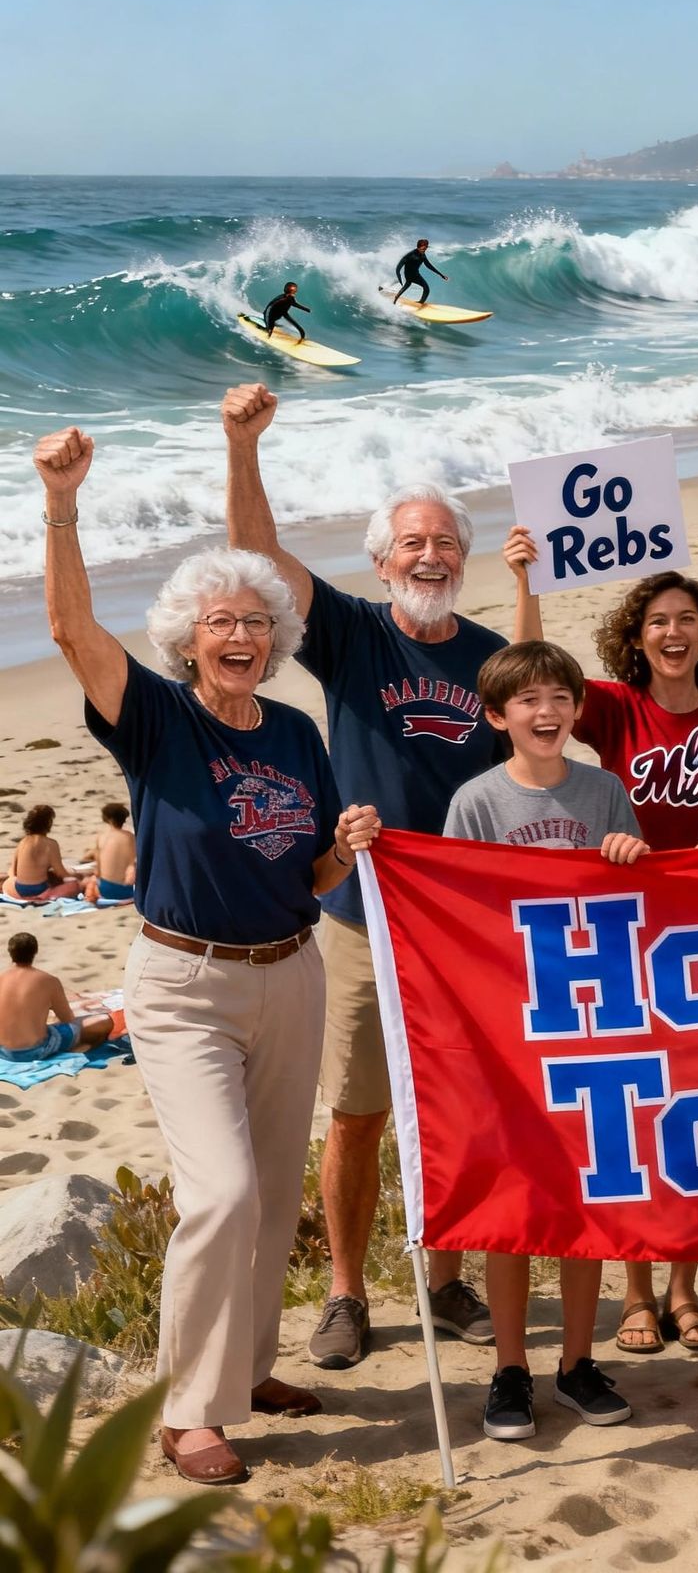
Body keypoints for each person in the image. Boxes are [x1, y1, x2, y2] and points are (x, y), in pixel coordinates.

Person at [37, 424, 380, 1486]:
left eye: (254, 621)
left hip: (291, 967)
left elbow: (311, 871)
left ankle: (246, 1368)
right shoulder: (152, 718)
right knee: (222, 1193)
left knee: (276, 1195)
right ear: (187, 637)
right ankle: (192, 1412)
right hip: (183, 981)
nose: (240, 633)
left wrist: (345, 848)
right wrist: (60, 503)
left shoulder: (293, 729)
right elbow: (67, 626)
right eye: (219, 620)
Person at [221, 383, 504, 1370]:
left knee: (462, 1105)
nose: (430, 557)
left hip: (463, 922)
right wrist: (243, 447)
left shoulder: (490, 657)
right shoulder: (348, 634)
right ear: (381, 562)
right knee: (358, 1111)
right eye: (411, 545)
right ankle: (346, 1291)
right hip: (358, 911)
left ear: (461, 561)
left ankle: (449, 1275)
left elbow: (541, 743)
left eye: (444, 545)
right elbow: (256, 558)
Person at [501, 561, 698, 1354]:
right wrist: (524, 580)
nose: (673, 632)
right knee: (634, 1114)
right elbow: (530, 677)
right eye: (658, 622)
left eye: (686, 619)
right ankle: (636, 1292)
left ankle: (685, 1288)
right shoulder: (614, 709)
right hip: (622, 936)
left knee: (695, 1115)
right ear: (637, 639)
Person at [439, 641, 647, 1439]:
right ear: (498, 717)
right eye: (527, 700)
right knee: (518, 1201)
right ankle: (511, 1369)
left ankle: (577, 1361)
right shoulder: (477, 802)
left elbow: (636, 900)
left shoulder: (603, 791)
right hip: (513, 1027)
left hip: (594, 1019)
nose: (547, 711)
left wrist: (629, 858)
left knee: (585, 1193)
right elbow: (456, 909)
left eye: (559, 696)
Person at [0, 932, 114, 1060]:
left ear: (10, 952)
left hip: (3, 1051)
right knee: (103, 1021)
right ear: (35, 952)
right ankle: (79, 1048)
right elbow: (67, 1018)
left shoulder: (2, 979)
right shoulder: (48, 980)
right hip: (35, 1050)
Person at [3, 806, 83, 902]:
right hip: (40, 890)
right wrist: (75, 877)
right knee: (74, 885)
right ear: (48, 824)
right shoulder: (50, 844)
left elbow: (13, 870)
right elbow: (60, 872)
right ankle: (43, 897)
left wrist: (14, 879)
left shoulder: (23, 842)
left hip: (20, 890)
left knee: (8, 882)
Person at [83, 801, 136, 904]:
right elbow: (132, 865)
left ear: (106, 819)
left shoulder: (101, 837)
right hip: (125, 891)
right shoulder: (130, 837)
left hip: (105, 890)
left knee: (91, 880)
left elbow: (98, 871)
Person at [394, 239, 447, 305]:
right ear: (418, 247)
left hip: (415, 274)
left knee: (422, 287)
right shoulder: (410, 255)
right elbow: (399, 267)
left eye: (425, 249)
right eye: (422, 249)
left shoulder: (423, 255)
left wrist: (441, 275)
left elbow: (429, 266)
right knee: (411, 284)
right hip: (410, 274)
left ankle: (419, 303)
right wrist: (399, 276)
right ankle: (398, 298)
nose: (423, 251)